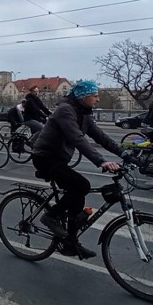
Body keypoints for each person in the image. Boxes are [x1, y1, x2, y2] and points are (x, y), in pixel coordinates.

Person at [32, 80, 126, 259]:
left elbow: (101, 138)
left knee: (77, 200)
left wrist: (125, 154)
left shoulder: (83, 114)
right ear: (83, 96)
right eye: (95, 95)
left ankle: (70, 243)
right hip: (45, 158)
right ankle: (50, 216)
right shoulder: (65, 110)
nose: (97, 99)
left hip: (59, 159)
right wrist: (102, 162)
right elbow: (77, 139)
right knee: (81, 185)